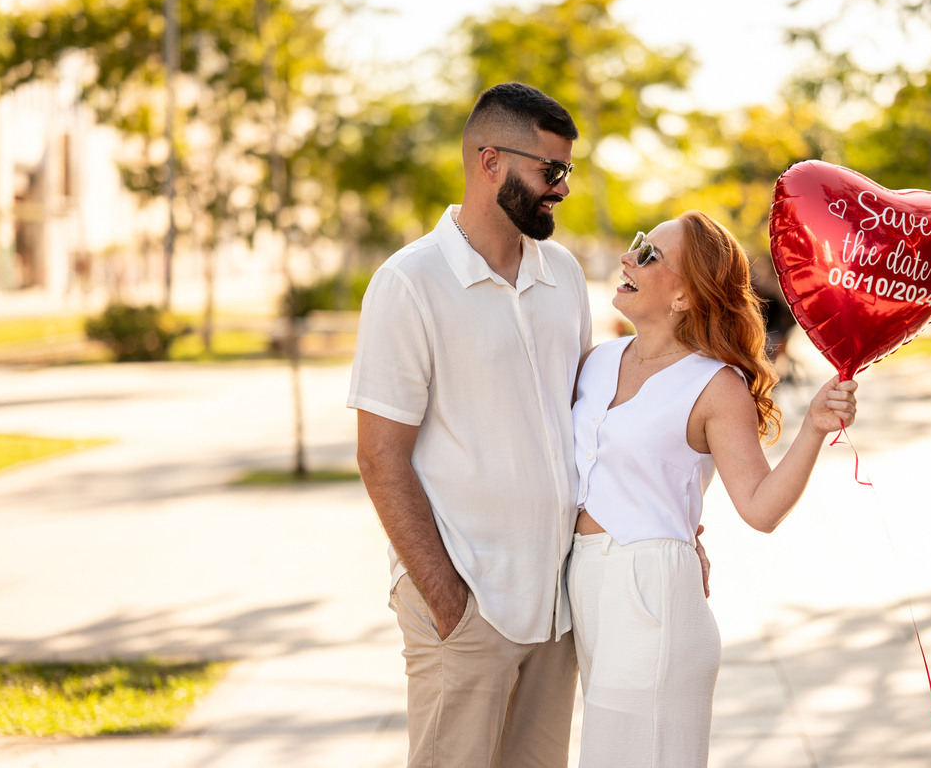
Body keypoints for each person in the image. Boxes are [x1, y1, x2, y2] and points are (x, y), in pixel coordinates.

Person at [348, 82, 590, 768]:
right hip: (465, 608)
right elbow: (379, 455)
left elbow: (580, 419)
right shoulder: (408, 283)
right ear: (491, 162)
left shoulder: (565, 276)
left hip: (555, 610)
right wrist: (447, 600)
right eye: (550, 170)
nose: (562, 188)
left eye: (565, 171)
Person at [567, 211, 858, 768]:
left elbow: (760, 507)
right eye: (635, 245)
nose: (627, 258)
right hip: (586, 584)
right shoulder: (597, 363)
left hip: (651, 590)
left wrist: (815, 427)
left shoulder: (716, 385)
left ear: (683, 297)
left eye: (648, 254)